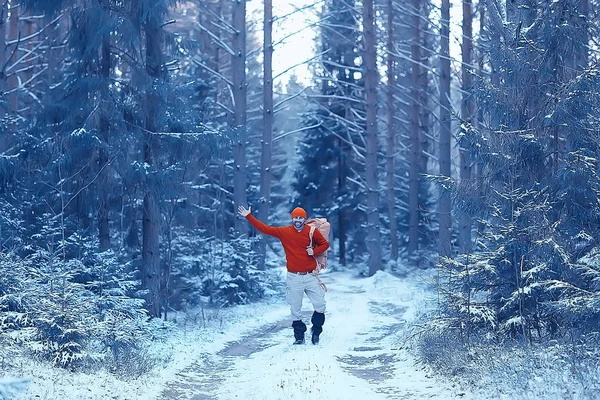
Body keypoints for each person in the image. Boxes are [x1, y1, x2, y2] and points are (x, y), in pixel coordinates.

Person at [237, 205, 329, 345]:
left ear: (304, 219)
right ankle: (299, 336)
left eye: (301, 217)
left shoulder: (312, 231)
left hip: (310, 276)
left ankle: (316, 332)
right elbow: (265, 229)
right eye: (296, 217)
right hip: (294, 277)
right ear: (292, 218)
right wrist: (248, 216)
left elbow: (325, 244)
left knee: (320, 304)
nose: (298, 220)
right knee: (295, 309)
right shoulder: (284, 232)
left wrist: (314, 252)